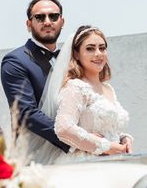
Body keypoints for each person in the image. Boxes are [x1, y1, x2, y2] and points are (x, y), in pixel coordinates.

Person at [1, 0, 70, 163]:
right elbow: (27, 113)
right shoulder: (15, 61)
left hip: (76, 156)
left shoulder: (73, 60)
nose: (47, 21)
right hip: (36, 158)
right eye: (39, 17)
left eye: (53, 16)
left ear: (62, 21)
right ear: (28, 24)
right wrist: (75, 140)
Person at [52, 25, 133, 160]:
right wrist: (105, 146)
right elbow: (63, 129)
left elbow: (109, 127)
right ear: (76, 54)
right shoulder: (75, 87)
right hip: (87, 163)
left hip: (115, 160)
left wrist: (123, 139)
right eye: (90, 49)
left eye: (102, 48)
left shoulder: (108, 88)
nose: (98, 53)